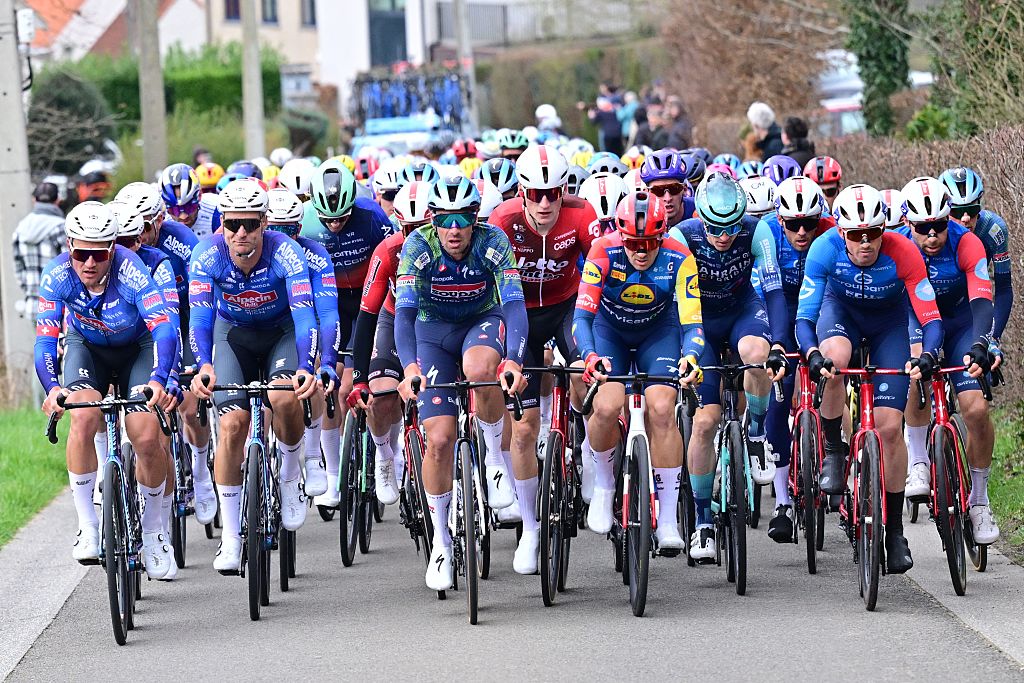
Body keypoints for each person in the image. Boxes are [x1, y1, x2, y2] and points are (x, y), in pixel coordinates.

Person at [796, 183, 943, 575]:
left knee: (889, 429)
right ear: (841, 232)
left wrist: (927, 355)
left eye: (873, 234)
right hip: (839, 314)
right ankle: (832, 449)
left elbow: (930, 317)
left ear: (884, 230)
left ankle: (894, 532)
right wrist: (812, 354)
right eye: (856, 236)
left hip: (888, 326)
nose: (866, 244)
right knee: (835, 360)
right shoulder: (824, 249)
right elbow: (805, 319)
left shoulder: (904, 252)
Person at [394, 175, 527, 591]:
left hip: (479, 323)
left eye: (462, 219)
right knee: (439, 439)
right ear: (432, 220)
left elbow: (515, 306)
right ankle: (440, 541)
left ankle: (492, 459)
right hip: (432, 334)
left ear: (475, 219)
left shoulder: (494, 242)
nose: (454, 229)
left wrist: (515, 360)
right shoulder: (418, 246)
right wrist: (409, 367)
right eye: (444, 219)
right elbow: (403, 316)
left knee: (480, 369)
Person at [35, 201, 177, 578]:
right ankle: (88, 526)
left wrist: (159, 379)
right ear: (69, 246)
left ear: (113, 249)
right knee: (82, 416)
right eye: (81, 253)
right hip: (89, 349)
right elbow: (45, 341)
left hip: (138, 348)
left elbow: (164, 329)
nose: (89, 263)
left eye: (98, 254)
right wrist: (52, 388)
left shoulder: (132, 271)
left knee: (146, 437)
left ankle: (154, 532)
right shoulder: (57, 275)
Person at [188, 181, 320, 573]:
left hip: (281, 334)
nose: (240, 233)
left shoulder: (287, 252)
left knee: (283, 397)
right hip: (233, 337)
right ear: (222, 225)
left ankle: (291, 472)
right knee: (231, 426)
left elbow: (305, 315)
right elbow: (199, 317)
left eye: (249, 224)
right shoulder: (206, 255)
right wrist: (203, 365)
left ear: (264, 223)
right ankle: (230, 536)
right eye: (232, 225)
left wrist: (307, 366)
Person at [488, 145, 598, 573]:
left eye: (554, 193)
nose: (546, 203)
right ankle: (531, 527)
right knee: (524, 428)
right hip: (519, 318)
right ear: (521, 192)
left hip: (565, 306)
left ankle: (589, 447)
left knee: (584, 372)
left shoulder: (581, 214)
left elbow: (600, 265)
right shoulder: (503, 221)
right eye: (536, 194)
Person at [574, 192, 704, 551]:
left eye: (649, 243)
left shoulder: (680, 257)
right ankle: (603, 484)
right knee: (606, 405)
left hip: (657, 333)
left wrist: (691, 356)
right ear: (621, 236)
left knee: (662, 408)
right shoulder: (602, 251)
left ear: (662, 237)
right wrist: (588, 357)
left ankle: (667, 519)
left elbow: (692, 323)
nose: (642, 251)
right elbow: (582, 318)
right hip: (609, 331)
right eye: (634, 243)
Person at [670, 173, 790, 560]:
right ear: (700, 217)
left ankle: (756, 435)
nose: (724, 236)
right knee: (705, 422)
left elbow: (774, 293)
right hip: (698, 318)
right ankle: (703, 523)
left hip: (741, 310)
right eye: (715, 227)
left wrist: (779, 346)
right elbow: (672, 301)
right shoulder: (682, 234)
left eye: (731, 227)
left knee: (756, 351)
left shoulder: (757, 232)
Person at [896, 176, 1000, 545]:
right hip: (914, 322)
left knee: (975, 411)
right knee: (912, 372)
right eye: (923, 228)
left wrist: (980, 344)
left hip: (958, 326)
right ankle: (919, 461)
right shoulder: (897, 247)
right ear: (908, 223)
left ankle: (980, 500)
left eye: (939, 225)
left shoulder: (967, 242)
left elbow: (983, 302)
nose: (933, 235)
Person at [301, 161, 392, 491]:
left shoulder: (372, 216)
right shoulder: (306, 223)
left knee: (358, 381)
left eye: (342, 217)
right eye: (328, 219)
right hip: (330, 301)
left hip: (369, 299)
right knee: (329, 385)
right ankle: (334, 474)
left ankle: (386, 450)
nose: (335, 224)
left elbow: (393, 258)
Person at [753, 176, 835, 542]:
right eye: (794, 224)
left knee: (832, 369)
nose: (802, 232)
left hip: (822, 302)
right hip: (779, 301)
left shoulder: (832, 230)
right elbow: (765, 290)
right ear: (780, 219)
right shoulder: (767, 232)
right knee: (779, 387)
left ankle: (833, 447)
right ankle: (783, 501)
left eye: (809, 224)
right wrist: (778, 342)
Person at [349, 181, 435, 510]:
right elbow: (367, 315)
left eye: (423, 228)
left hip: (437, 323)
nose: (415, 237)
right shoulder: (387, 251)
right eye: (408, 229)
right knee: (382, 391)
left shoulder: (455, 246)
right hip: (392, 318)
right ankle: (385, 454)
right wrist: (359, 379)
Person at [266, 188, 340, 502]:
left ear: (300, 229)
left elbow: (326, 313)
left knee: (319, 371)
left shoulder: (314, 254)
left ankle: (312, 453)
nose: (284, 238)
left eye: (290, 231)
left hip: (298, 324)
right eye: (275, 230)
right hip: (260, 326)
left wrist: (326, 361)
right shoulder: (253, 250)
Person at [939, 167, 1013, 356]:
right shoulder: (930, 234)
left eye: (972, 210)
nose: (965, 218)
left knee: (981, 368)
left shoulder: (993, 229)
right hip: (934, 309)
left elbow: (1004, 289)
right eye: (957, 211)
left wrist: (993, 338)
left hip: (970, 310)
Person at [13, 182, 65, 318]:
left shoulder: (21, 228)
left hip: (34, 306)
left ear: (34, 200)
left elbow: (19, 270)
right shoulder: (60, 227)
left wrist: (30, 291)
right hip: (60, 306)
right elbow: (71, 265)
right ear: (58, 200)